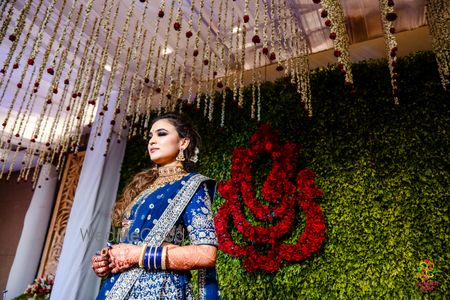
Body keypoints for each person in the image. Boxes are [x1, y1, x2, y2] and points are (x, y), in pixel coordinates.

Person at [91, 112, 220, 299]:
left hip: (158, 288)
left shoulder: (192, 185)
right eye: (150, 136)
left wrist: (137, 255)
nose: (152, 141)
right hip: (117, 288)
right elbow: (132, 241)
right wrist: (109, 258)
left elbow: (206, 254)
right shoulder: (144, 187)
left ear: (183, 142)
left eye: (161, 134)